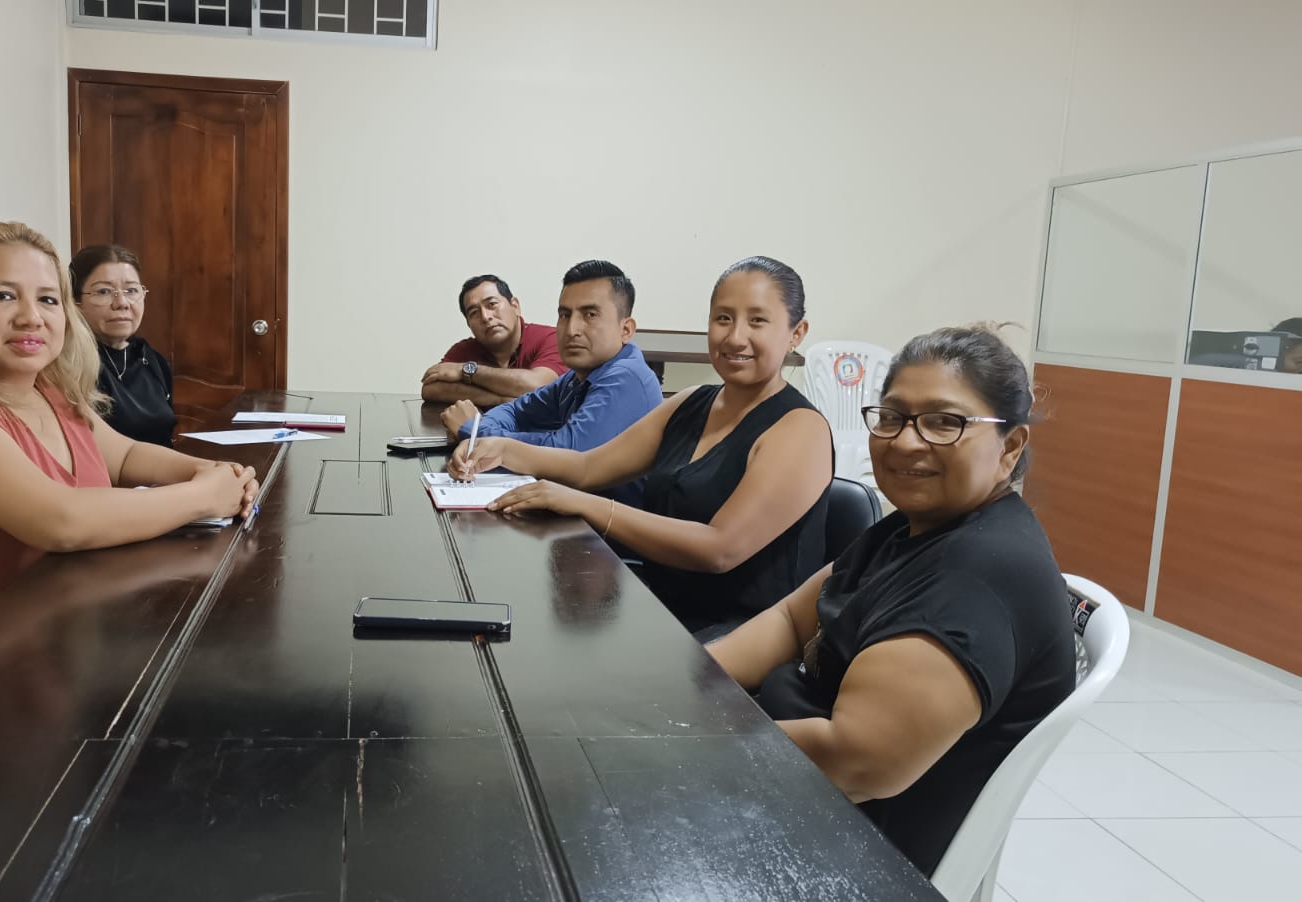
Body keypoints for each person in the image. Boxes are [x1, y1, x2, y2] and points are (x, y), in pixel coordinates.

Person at [706, 325, 1075, 876]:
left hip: (844, 850)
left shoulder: (978, 578)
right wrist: (688, 685)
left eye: (945, 422)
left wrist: (683, 744)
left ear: (1010, 446)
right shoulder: (912, 528)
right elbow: (791, 618)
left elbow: (852, 762)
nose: (905, 441)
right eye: (893, 417)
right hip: (784, 787)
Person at [0, 221, 259, 674]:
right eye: (3, 296)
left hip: (29, 646)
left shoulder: (47, 390)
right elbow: (61, 522)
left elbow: (126, 456)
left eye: (48, 299)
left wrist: (212, 471)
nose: (31, 317)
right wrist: (203, 497)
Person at [451, 256, 832, 639]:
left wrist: (584, 503)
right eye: (723, 318)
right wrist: (498, 449)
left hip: (742, 636)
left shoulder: (800, 428)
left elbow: (720, 549)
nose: (735, 337)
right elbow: (588, 467)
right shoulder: (690, 402)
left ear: (796, 333)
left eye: (757, 321)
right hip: (662, 608)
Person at [438, 260, 662, 508]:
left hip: (608, 529)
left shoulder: (626, 376)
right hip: (573, 515)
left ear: (626, 329)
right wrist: (481, 434)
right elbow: (516, 410)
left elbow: (566, 452)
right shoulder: (575, 377)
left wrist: (474, 431)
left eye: (590, 315)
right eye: (564, 315)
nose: (572, 329)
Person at [71, 244, 176, 446]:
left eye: (131, 290)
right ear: (75, 302)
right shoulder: (69, 366)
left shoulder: (153, 360)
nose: (122, 303)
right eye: (103, 291)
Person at [422, 274, 567, 406]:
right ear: (468, 324)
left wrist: (466, 370)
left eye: (492, 304)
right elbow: (430, 388)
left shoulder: (550, 338)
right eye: (474, 312)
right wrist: (498, 400)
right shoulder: (464, 350)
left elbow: (539, 386)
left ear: (515, 306)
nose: (485, 317)